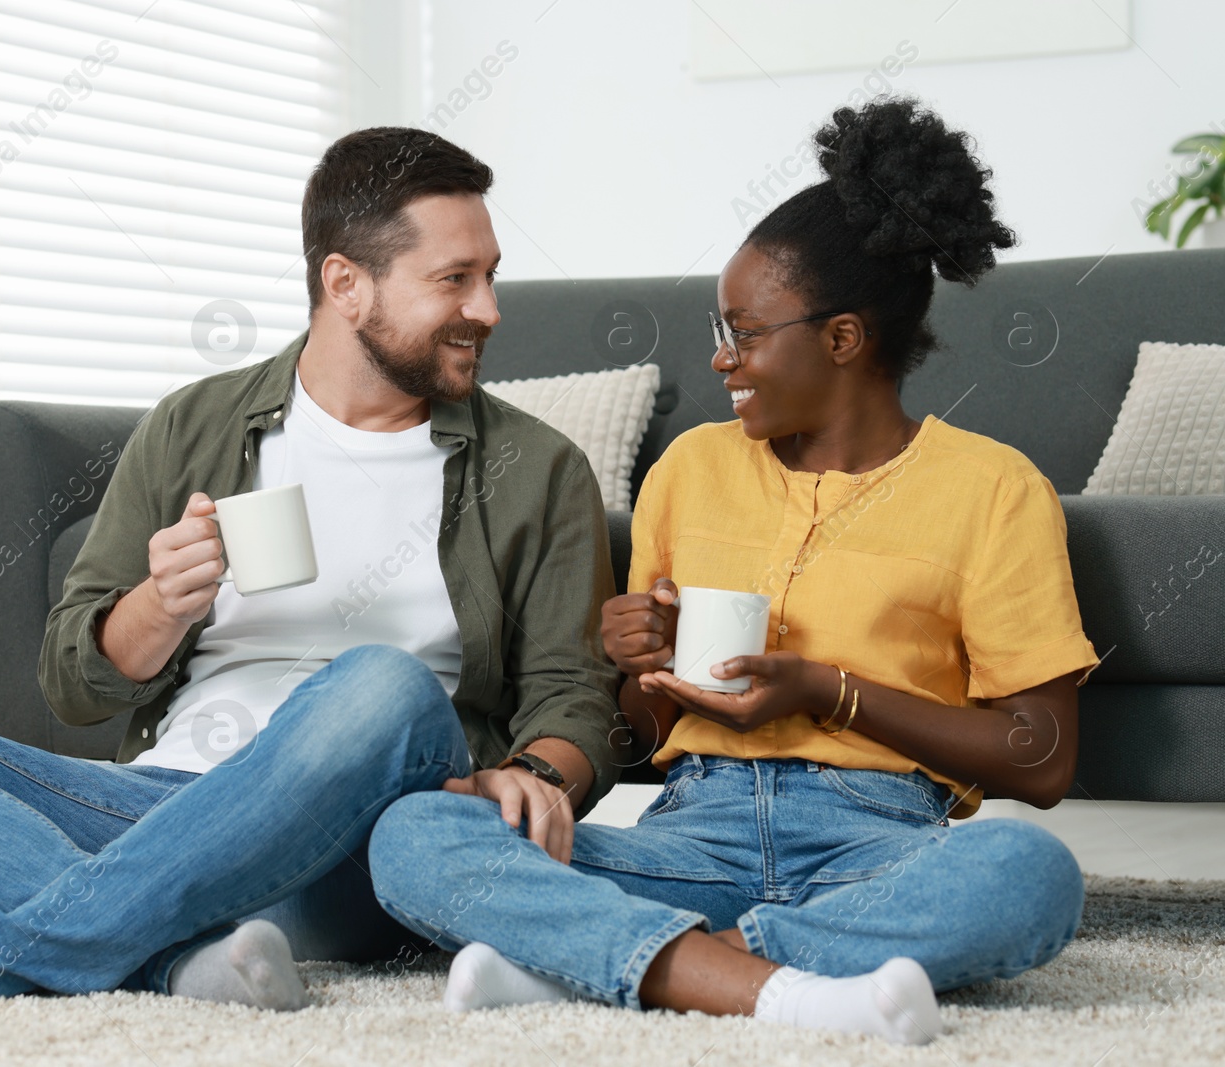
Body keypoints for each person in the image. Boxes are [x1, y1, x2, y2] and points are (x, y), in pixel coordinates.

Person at [0, 127, 622, 1007]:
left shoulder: (537, 469)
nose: (490, 310)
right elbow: (74, 679)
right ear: (346, 283)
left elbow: (575, 694)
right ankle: (183, 963)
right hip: (158, 800)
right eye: (455, 280)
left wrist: (535, 770)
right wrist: (157, 606)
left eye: (490, 276)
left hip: (357, 842)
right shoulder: (194, 425)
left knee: (381, 685)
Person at [368, 97, 1098, 1046]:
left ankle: (634, 962)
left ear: (842, 339)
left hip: (878, 840)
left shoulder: (995, 488)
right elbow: (637, 737)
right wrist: (640, 667)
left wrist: (828, 692)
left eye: (747, 333)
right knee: (415, 835)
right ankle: (777, 975)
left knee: (1026, 873)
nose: (722, 358)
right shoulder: (693, 469)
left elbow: (1042, 760)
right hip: (689, 829)